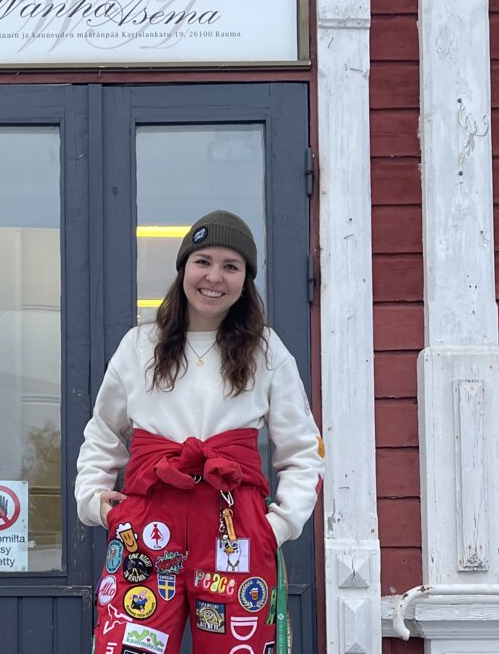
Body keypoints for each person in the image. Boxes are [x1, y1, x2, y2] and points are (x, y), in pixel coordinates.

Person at [75, 210, 325, 654]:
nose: (214, 277)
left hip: (235, 530)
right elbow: (103, 433)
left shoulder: (267, 352)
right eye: (203, 261)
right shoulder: (139, 346)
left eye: (231, 267)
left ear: (246, 279)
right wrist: (95, 500)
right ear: (183, 268)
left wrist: (279, 524)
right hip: (148, 527)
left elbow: (303, 449)